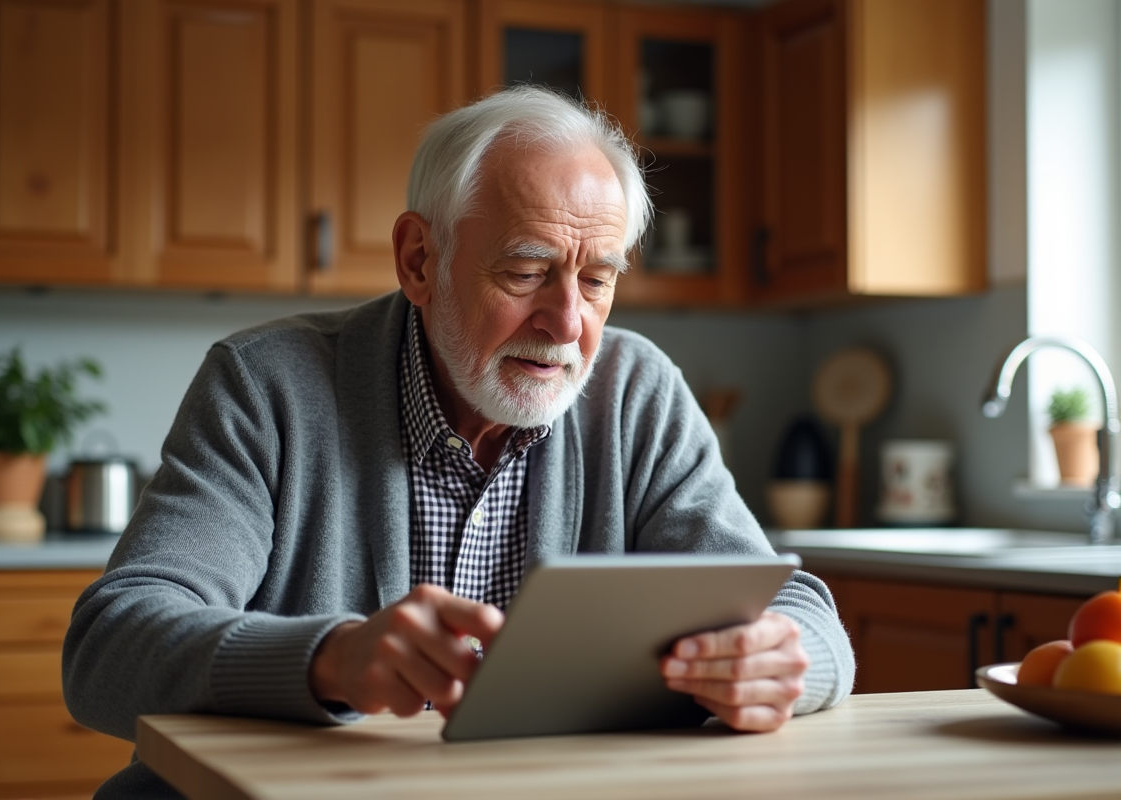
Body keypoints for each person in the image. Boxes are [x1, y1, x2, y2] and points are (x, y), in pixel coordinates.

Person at [63, 86, 855, 798]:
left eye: (597, 278)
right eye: (525, 271)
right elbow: (110, 647)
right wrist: (329, 658)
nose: (568, 323)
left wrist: (784, 662)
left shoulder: (636, 391)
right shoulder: (266, 385)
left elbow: (797, 611)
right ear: (419, 260)